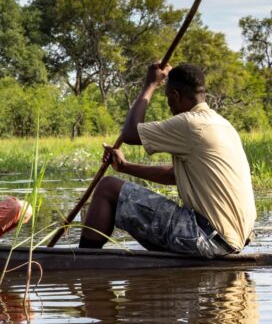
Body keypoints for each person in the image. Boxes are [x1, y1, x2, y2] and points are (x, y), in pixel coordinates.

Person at [79, 63, 256, 258]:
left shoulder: (191, 123)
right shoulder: (223, 124)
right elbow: (174, 174)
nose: (169, 106)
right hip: (230, 242)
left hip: (207, 239)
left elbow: (129, 133)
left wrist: (150, 85)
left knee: (107, 187)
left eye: (168, 99)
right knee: (115, 188)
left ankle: (82, 262)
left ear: (175, 96)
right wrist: (124, 167)